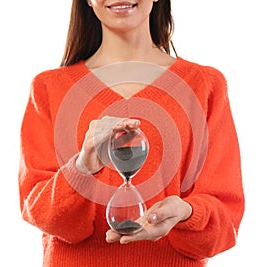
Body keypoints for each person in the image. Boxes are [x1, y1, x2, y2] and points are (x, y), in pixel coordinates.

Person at [18, 0, 245, 266]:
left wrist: (187, 213)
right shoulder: (48, 89)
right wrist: (82, 167)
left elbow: (226, 221)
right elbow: (41, 213)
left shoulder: (204, 85)